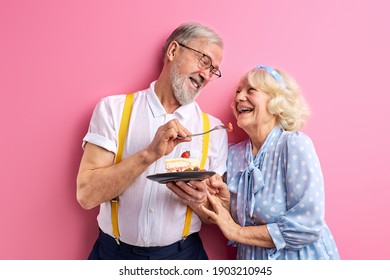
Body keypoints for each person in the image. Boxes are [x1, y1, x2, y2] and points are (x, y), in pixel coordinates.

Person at [76, 22, 228, 260]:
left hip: (184, 257)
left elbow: (214, 216)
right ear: (173, 51)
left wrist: (200, 203)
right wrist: (149, 154)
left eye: (213, 71)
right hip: (114, 255)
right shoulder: (113, 110)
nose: (206, 76)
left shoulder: (214, 130)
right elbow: (87, 195)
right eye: (204, 61)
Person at [201, 65, 340, 260]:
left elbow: (308, 225)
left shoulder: (294, 145)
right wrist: (224, 203)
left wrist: (237, 232)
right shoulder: (233, 155)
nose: (239, 97)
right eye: (238, 92)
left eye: (251, 90)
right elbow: (232, 220)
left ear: (276, 101)